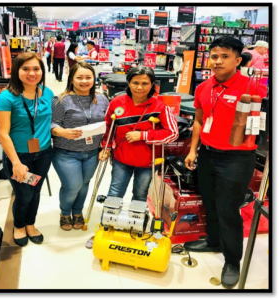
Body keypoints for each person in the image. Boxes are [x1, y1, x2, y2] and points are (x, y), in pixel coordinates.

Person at [183, 36, 267, 289]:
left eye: (225, 56)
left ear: (238, 60)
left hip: (237, 158)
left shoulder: (253, 87)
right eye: (214, 56)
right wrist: (192, 150)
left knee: (228, 209)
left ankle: (232, 261)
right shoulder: (202, 87)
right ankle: (213, 241)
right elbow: (199, 120)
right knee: (210, 201)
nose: (217, 61)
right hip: (208, 154)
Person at [85, 66, 179, 249]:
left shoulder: (160, 107)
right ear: (129, 82)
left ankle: (135, 228)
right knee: (115, 193)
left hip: (147, 162)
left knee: (139, 196)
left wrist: (143, 136)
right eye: (135, 82)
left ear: (152, 85)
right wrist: (105, 148)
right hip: (121, 159)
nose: (140, 87)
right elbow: (108, 128)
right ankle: (106, 227)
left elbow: (172, 134)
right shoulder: (117, 103)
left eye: (145, 83)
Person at [0, 52, 54, 247]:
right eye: (25, 69)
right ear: (16, 71)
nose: (32, 73)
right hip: (19, 156)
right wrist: (16, 163)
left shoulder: (47, 92)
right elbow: (3, 133)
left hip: (43, 153)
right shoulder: (7, 97)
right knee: (24, 194)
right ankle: (19, 225)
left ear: (42, 71)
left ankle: (30, 223)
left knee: (35, 191)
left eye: (36, 68)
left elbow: (50, 122)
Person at [51, 61, 109, 231]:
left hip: (91, 153)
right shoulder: (62, 100)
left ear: (94, 79)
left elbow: (109, 126)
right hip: (66, 152)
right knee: (73, 185)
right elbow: (52, 124)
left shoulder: (102, 99)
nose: (84, 81)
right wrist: (63, 132)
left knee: (84, 184)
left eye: (88, 77)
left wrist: (105, 148)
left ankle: (77, 212)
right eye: (80, 77)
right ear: (72, 79)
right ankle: (64, 213)